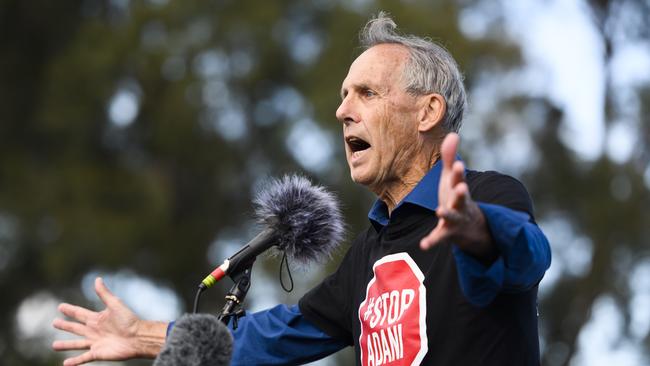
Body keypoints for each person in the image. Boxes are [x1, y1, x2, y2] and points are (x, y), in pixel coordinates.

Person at [52, 13, 551, 366]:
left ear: (427, 112)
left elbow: (528, 256)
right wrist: (139, 334)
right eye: (342, 97)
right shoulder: (366, 255)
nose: (342, 111)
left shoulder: (491, 195)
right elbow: (270, 336)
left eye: (367, 93)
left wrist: (477, 230)